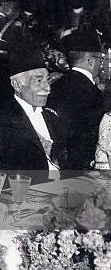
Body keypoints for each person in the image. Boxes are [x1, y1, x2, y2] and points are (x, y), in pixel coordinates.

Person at [0, 38, 67, 184]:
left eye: (47, 80)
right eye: (39, 81)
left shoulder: (51, 117)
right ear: (17, 85)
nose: (48, 88)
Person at [46, 28, 107, 172]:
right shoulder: (93, 95)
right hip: (82, 170)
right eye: (101, 59)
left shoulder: (57, 84)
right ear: (90, 61)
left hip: (57, 164)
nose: (102, 64)